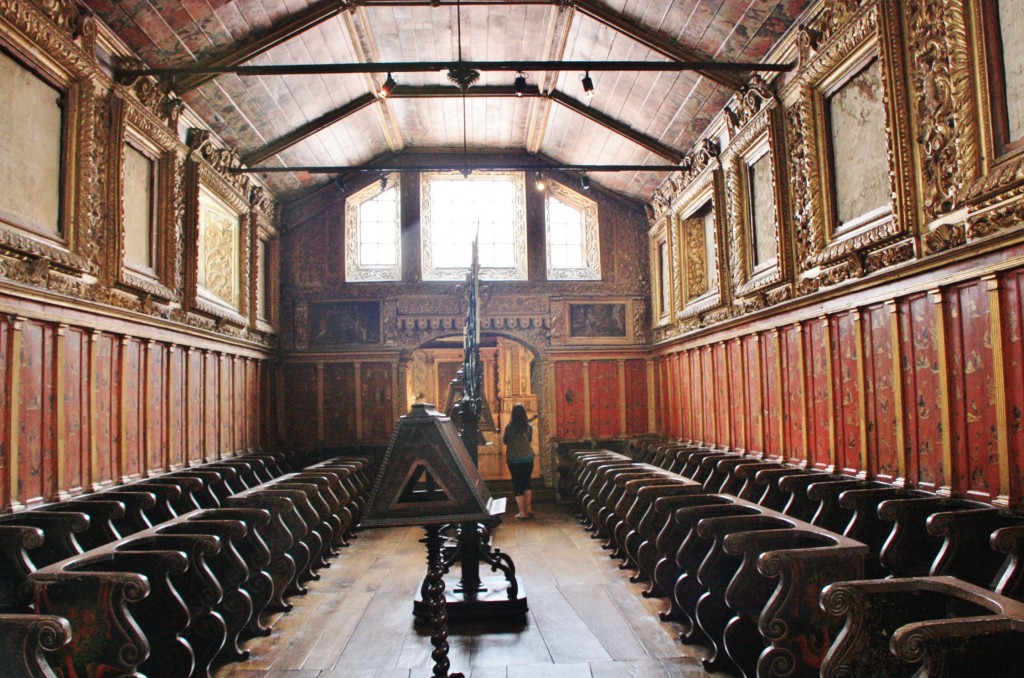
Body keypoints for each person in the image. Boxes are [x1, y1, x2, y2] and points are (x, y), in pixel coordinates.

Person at [503, 403, 534, 519]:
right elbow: (530, 440)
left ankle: (522, 512)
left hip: (514, 459)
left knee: (518, 484)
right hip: (528, 458)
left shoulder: (509, 427)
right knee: (527, 483)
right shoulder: (529, 427)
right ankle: (529, 509)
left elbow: (505, 441)